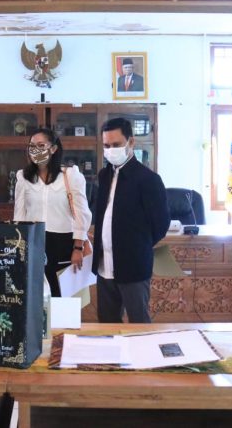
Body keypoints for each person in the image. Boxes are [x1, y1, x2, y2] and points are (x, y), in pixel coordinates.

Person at [92, 118, 170, 323]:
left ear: (131, 142)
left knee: (139, 322)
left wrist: (137, 246)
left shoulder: (148, 179)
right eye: (106, 146)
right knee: (107, 324)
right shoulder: (104, 175)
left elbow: (161, 225)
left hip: (133, 265)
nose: (111, 150)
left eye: (116, 144)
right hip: (104, 265)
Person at [13, 128, 92, 297]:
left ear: (54, 148)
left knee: (63, 296)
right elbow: (19, 215)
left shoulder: (70, 176)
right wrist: (19, 246)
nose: (35, 150)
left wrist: (78, 247)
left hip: (64, 242)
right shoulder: (23, 177)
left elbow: (82, 213)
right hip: (34, 241)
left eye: (41, 145)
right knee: (36, 295)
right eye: (32, 146)